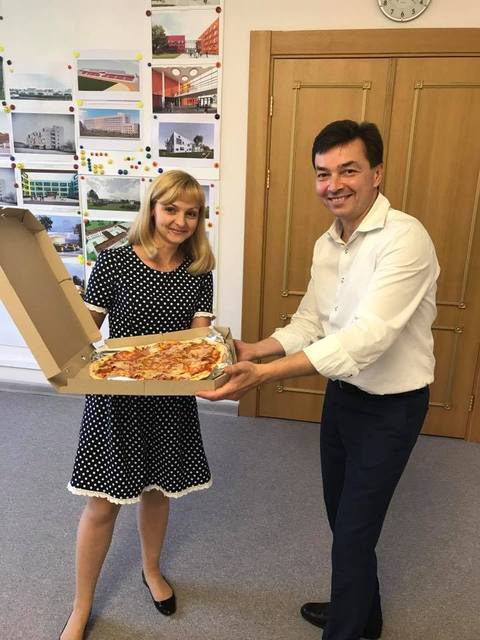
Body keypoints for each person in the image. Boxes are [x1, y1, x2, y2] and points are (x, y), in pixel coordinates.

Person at [198, 120, 439, 640]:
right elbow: (312, 321)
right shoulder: (327, 244)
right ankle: (363, 613)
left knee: (353, 530)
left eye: (348, 170)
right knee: (342, 518)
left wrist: (264, 375)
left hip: (392, 406)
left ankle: (347, 629)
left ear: (377, 173)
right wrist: (253, 349)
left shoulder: (405, 239)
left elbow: (367, 339)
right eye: (323, 173)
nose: (334, 185)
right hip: (343, 397)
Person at [60, 170, 216, 640]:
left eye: (192, 213)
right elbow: (85, 332)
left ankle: (151, 569)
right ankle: (81, 606)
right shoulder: (114, 262)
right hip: (118, 399)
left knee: (157, 491)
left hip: (168, 401)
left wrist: (214, 366)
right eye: (171, 209)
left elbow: (198, 342)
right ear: (152, 208)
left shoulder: (198, 270)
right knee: (102, 504)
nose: (181, 221)